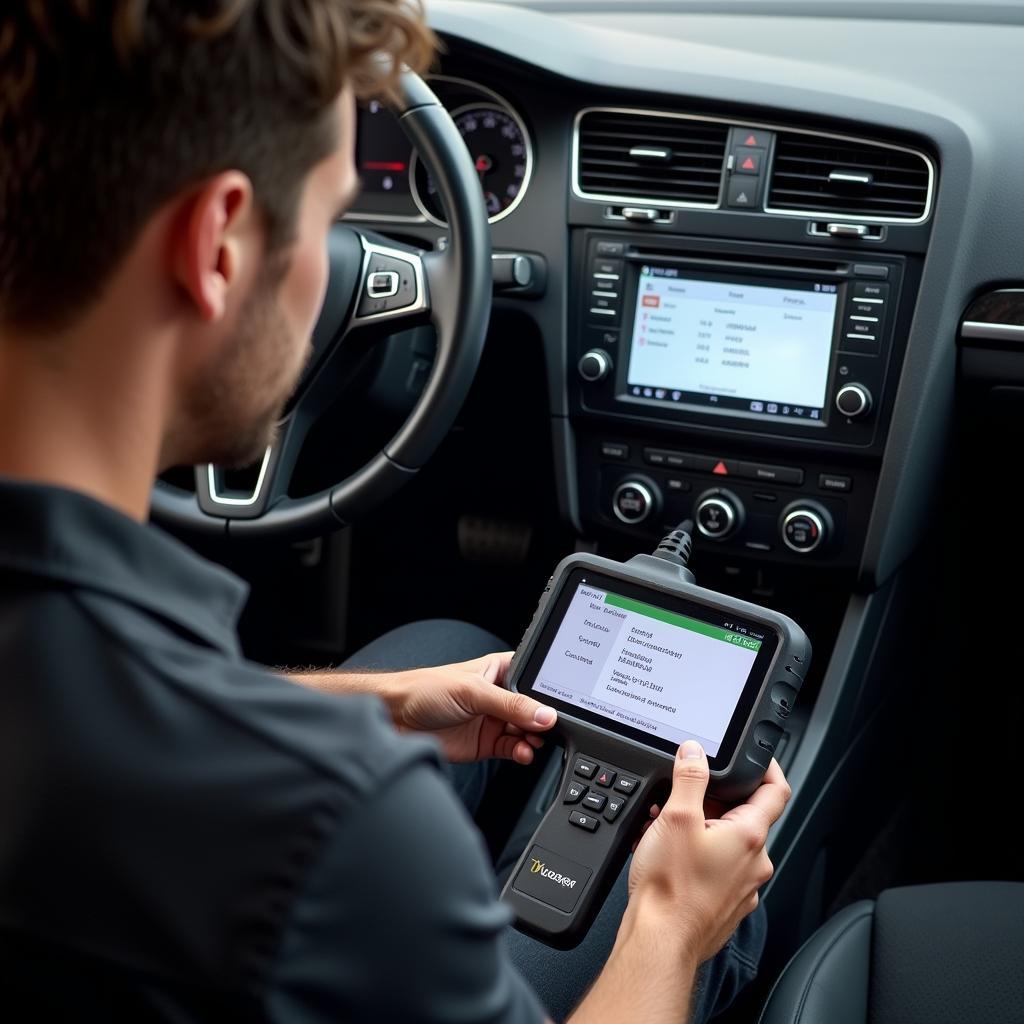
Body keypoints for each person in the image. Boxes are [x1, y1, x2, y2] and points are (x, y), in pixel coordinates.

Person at [0, 2, 790, 1021]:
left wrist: (376, 703)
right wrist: (671, 921)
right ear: (218, 246)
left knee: (446, 643)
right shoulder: (332, 829)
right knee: (715, 888)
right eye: (330, 219)